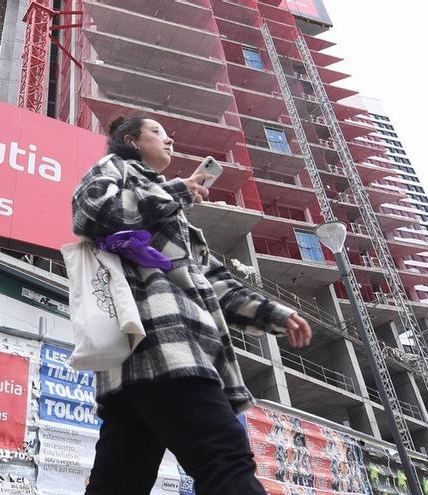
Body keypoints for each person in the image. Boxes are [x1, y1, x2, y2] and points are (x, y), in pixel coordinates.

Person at [73, 113, 313, 495]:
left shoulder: (177, 219)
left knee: (119, 482)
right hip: (166, 347)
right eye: (158, 133)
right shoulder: (115, 168)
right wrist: (177, 192)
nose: (169, 141)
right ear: (131, 140)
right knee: (225, 458)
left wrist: (276, 315)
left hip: (140, 367)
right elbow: (94, 212)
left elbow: (214, 282)